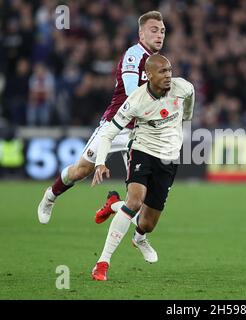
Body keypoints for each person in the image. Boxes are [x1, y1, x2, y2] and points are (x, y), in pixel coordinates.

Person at [37, 11, 166, 223]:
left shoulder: (160, 62)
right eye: (154, 30)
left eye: (162, 31)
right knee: (81, 170)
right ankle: (50, 195)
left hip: (140, 132)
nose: (159, 35)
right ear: (141, 34)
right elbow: (134, 95)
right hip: (116, 125)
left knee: (141, 201)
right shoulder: (134, 55)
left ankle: (112, 204)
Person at [90, 54, 195, 281]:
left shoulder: (182, 87)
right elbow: (109, 132)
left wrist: (187, 116)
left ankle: (132, 229)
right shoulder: (136, 100)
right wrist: (100, 162)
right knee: (135, 201)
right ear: (148, 75)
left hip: (168, 160)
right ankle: (102, 263)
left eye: (169, 70)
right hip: (142, 151)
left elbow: (191, 94)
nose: (168, 75)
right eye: (163, 72)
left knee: (147, 223)